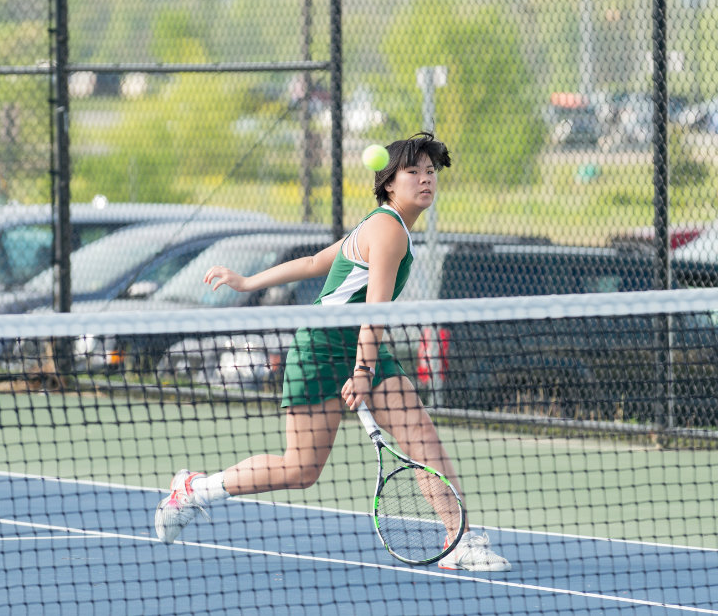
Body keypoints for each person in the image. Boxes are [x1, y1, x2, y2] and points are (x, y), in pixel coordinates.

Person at [154, 132, 510, 572]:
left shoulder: (384, 225)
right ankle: (194, 489)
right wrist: (361, 368)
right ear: (389, 183)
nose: (425, 180)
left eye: (430, 172)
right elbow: (374, 309)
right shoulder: (387, 230)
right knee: (300, 470)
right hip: (322, 347)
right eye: (413, 172)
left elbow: (313, 263)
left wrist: (248, 282)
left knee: (421, 436)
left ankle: (459, 541)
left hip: (362, 347)